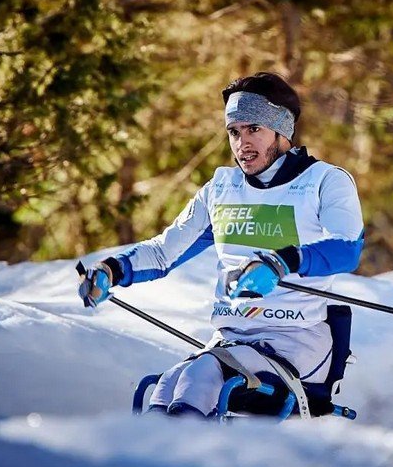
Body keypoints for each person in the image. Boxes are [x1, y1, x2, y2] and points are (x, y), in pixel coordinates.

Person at [78, 72, 364, 417]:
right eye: (234, 131)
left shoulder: (325, 181)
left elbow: (346, 248)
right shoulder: (221, 189)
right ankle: (151, 464)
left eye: (254, 129)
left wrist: (281, 263)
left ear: (282, 130)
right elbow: (163, 252)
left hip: (295, 340)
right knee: (166, 384)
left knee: (200, 375)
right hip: (231, 340)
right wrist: (113, 269)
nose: (242, 143)